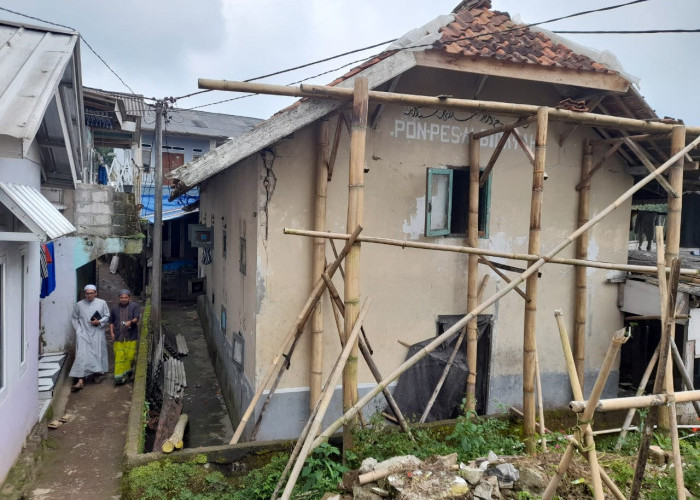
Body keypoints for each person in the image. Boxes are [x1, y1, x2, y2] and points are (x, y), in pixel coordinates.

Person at [69, 284, 110, 391]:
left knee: (97, 353)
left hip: (97, 332)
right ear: (84, 294)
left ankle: (97, 374)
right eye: (87, 293)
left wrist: (99, 322)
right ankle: (80, 380)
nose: (89, 295)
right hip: (83, 333)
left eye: (91, 293)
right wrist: (79, 330)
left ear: (96, 293)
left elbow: (107, 316)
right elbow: (74, 318)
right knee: (81, 355)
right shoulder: (79, 305)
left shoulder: (102, 303)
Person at [110, 289, 140, 385]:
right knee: (119, 357)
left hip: (131, 336)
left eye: (126, 297)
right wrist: (112, 333)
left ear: (129, 298)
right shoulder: (114, 308)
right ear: (119, 298)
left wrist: (130, 322)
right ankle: (119, 378)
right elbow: (111, 322)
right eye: (122, 298)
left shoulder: (134, 306)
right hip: (118, 336)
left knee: (130, 356)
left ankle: (129, 371)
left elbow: (136, 318)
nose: (123, 299)